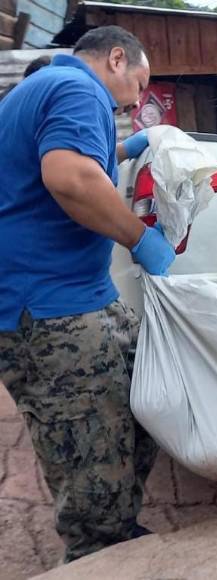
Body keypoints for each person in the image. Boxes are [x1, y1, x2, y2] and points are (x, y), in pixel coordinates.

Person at [0, 26, 175, 563]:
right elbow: (71, 176)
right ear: (117, 59)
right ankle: (100, 555)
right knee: (92, 445)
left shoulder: (44, 90)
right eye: (139, 83)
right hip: (51, 306)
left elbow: (75, 160)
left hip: (77, 296)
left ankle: (114, 534)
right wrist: (139, 237)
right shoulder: (78, 89)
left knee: (136, 407)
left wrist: (127, 148)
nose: (137, 99)